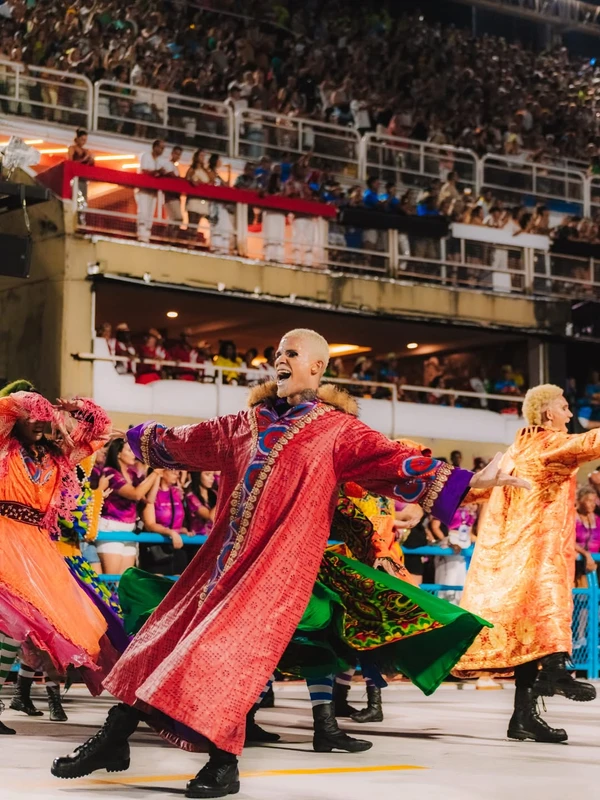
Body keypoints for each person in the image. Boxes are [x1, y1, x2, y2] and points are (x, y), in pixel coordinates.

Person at [51, 327, 526, 798]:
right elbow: (188, 440)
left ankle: (223, 762)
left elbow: (396, 461)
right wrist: (135, 436)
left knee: (225, 655)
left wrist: (470, 482)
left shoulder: (339, 431)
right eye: (277, 352)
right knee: (159, 639)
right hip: (218, 564)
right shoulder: (244, 423)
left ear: (318, 367)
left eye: (291, 353)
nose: (280, 359)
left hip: (278, 570)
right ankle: (116, 739)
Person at [455, 384, 599, 744]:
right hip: (542, 550)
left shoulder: (515, 451)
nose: (570, 414)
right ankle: (555, 671)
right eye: (564, 407)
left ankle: (523, 718)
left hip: (511, 556)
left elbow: (474, 491)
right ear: (548, 413)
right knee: (550, 608)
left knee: (525, 638)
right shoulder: (549, 444)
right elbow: (589, 443)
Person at [0, 382, 114, 734]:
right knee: (6, 625)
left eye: (43, 418)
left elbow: (99, 430)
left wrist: (76, 407)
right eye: (30, 417)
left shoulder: (56, 456)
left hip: (35, 546)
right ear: (14, 419)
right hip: (3, 535)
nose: (38, 423)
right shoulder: (4, 447)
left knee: (19, 632)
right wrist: (26, 400)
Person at [95, 439, 161, 576]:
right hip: (111, 528)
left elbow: (149, 499)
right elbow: (135, 494)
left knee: (124, 579)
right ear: (118, 453)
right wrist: (154, 473)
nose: (133, 455)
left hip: (129, 530)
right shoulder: (110, 472)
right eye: (129, 451)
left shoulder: (132, 474)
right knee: (111, 579)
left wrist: (158, 474)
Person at [140, 469, 189, 576]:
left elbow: (176, 518)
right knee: (158, 584)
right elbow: (150, 524)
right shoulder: (152, 495)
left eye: (177, 471)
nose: (177, 473)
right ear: (162, 472)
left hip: (176, 546)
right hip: (157, 547)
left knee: (178, 584)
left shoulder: (176, 492)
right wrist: (170, 532)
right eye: (172, 470)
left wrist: (181, 530)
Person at [136, 139, 170, 243]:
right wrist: (157, 172)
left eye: (163, 148)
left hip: (153, 190)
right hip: (143, 189)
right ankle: (141, 235)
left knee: (150, 212)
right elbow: (144, 170)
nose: (161, 150)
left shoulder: (161, 160)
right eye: (160, 147)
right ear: (154, 147)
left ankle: (147, 235)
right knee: (143, 211)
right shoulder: (145, 156)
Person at [574, 486, 600, 579]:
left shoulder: (598, 520)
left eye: (594, 501)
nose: (592, 504)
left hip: (595, 564)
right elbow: (568, 541)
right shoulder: (573, 518)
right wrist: (585, 554)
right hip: (576, 564)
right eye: (589, 501)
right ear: (580, 501)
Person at [163, 146, 184, 237]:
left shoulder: (176, 167)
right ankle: (168, 237)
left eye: (179, 155)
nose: (177, 156)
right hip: (170, 196)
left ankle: (170, 238)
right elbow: (171, 177)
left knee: (174, 219)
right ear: (172, 153)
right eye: (176, 153)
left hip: (176, 196)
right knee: (178, 218)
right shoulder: (168, 164)